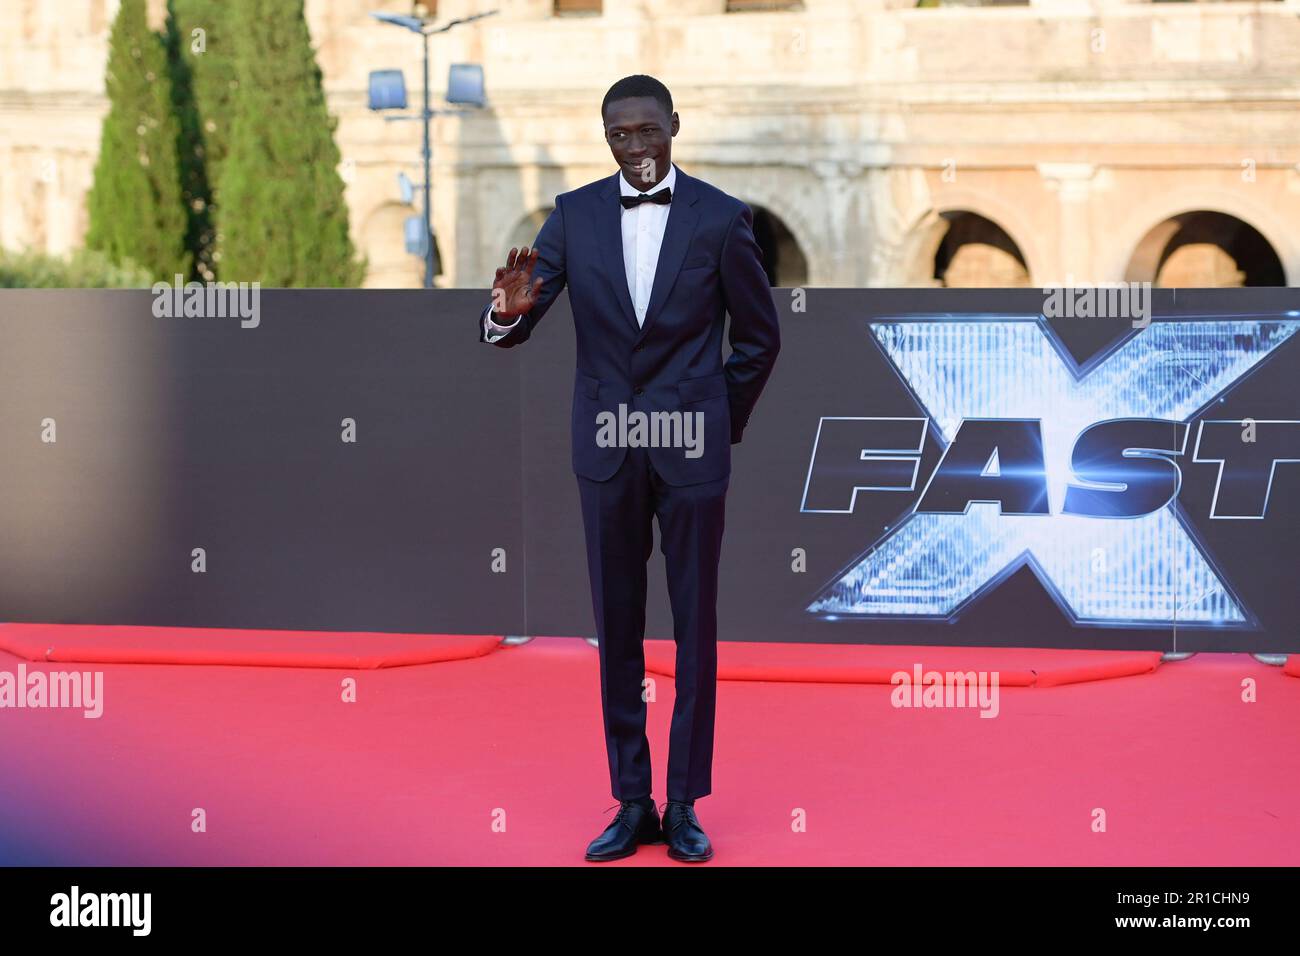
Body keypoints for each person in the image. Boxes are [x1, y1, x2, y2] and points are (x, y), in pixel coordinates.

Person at [478, 74, 780, 863]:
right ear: (605, 137)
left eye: (649, 131)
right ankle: (631, 800)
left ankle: (684, 805)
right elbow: (517, 324)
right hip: (607, 450)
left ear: (675, 125)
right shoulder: (575, 217)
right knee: (615, 630)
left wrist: (718, 423)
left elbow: (759, 339)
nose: (637, 147)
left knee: (694, 629)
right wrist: (506, 312)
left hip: (691, 451)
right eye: (621, 135)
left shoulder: (720, 219)